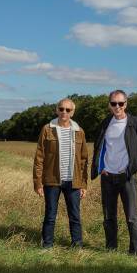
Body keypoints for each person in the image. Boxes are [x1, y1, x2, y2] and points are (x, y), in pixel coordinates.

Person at [91, 90, 137, 255]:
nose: (117, 107)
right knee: (109, 216)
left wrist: (132, 167)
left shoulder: (135, 123)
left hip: (127, 177)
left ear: (126, 104)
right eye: (113, 103)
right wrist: (100, 167)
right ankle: (111, 249)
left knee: (132, 216)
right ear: (109, 105)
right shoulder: (105, 123)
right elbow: (98, 146)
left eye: (120, 103)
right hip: (107, 177)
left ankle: (136, 251)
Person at [33, 98, 88, 248]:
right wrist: (38, 183)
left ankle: (77, 246)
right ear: (57, 110)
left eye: (68, 110)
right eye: (61, 109)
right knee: (50, 215)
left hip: (74, 181)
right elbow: (39, 158)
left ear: (73, 112)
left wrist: (83, 184)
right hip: (52, 180)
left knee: (75, 216)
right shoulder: (47, 129)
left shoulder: (79, 131)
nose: (64, 112)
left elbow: (83, 160)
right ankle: (47, 245)